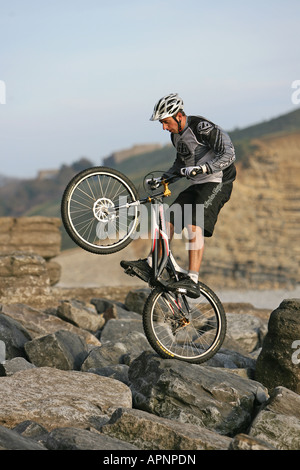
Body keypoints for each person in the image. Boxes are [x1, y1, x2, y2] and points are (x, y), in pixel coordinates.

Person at [121, 93, 236, 297]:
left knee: (193, 223)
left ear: (178, 116)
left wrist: (203, 169)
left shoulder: (201, 127)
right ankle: (151, 263)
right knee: (167, 221)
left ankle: (192, 279)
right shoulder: (176, 136)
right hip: (197, 184)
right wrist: (163, 179)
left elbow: (229, 154)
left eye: (165, 122)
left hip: (218, 181)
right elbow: (181, 165)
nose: (164, 127)